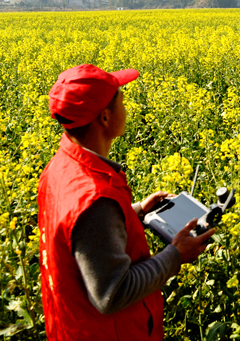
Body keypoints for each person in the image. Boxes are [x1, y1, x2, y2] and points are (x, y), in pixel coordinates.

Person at [38, 64, 214, 340]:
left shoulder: (62, 167)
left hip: (74, 325)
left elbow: (81, 235)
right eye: (122, 99)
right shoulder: (94, 198)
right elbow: (111, 293)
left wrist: (137, 213)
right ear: (105, 118)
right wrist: (176, 255)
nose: (126, 108)